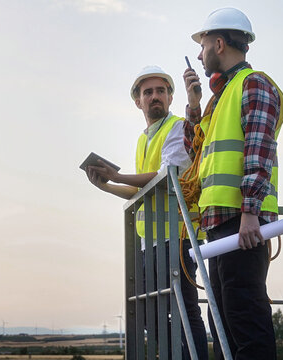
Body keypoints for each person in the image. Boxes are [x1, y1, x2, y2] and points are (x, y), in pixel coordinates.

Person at [183, 7, 283, 360]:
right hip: (220, 224)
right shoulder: (220, 96)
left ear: (220, 43)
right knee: (223, 321)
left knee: (244, 316)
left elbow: (259, 153)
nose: (200, 54)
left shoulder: (253, 83)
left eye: (203, 45)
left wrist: (249, 214)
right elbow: (196, 155)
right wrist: (195, 107)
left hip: (241, 223)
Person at [86, 65, 208, 359]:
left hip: (177, 236)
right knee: (147, 314)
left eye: (161, 91)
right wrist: (108, 186)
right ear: (138, 101)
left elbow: (167, 175)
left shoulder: (178, 127)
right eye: (148, 92)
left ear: (169, 97)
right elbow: (143, 193)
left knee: (184, 308)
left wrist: (118, 176)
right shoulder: (143, 139)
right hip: (149, 242)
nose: (155, 97)